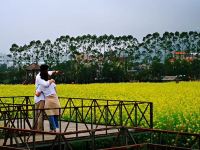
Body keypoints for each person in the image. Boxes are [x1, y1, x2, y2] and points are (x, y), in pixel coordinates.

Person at [34, 64, 59, 131]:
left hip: (45, 98)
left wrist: (55, 72)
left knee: (47, 114)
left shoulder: (41, 83)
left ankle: (47, 129)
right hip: (49, 98)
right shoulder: (48, 82)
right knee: (54, 113)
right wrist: (52, 80)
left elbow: (37, 94)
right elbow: (54, 90)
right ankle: (55, 128)